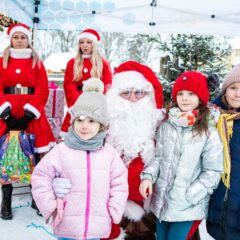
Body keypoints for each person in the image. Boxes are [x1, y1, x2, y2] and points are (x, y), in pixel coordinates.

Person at [52, 60, 165, 239]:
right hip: (103, 207)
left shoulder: (162, 127)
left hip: (151, 208)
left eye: (140, 93)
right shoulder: (97, 126)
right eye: (126, 93)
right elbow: (76, 157)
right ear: (114, 96)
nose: (133, 99)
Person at [31, 78, 128, 240]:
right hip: (67, 226)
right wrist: (51, 205)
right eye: (80, 120)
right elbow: (40, 177)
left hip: (96, 227)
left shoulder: (109, 154)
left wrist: (114, 209)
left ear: (102, 125)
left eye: (92, 121)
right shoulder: (61, 150)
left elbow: (119, 182)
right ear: (73, 121)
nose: (84, 126)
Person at [139, 71, 223, 240]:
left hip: (188, 206)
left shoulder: (209, 131)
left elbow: (213, 171)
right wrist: (148, 177)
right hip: (163, 202)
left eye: (191, 94)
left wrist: (190, 195)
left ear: (201, 97)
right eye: (180, 93)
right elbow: (159, 158)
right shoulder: (167, 126)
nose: (185, 98)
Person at [0, 23, 55, 220]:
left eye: (23, 37)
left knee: (36, 156)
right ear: (11, 39)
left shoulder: (36, 63)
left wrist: (28, 116)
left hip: (30, 115)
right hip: (6, 114)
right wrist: (6, 115)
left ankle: (36, 198)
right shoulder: (1, 61)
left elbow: (42, 89)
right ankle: (5, 201)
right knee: (4, 156)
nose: (20, 40)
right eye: (16, 37)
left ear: (28, 40)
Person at [206, 64, 240, 240]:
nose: (238, 94)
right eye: (233, 88)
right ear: (225, 91)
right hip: (219, 200)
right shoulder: (213, 117)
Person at [61, 28, 112, 136]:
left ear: (94, 44)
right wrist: (77, 103)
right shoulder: (72, 63)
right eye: (82, 42)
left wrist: (97, 102)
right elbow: (69, 84)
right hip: (77, 102)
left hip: (96, 103)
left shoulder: (103, 63)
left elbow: (107, 85)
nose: (85, 45)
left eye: (88, 42)